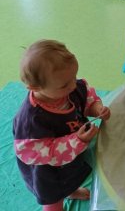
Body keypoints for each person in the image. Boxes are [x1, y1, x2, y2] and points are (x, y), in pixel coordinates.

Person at [13, 39, 111, 211]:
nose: (73, 85)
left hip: (71, 157)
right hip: (48, 173)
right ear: (35, 87)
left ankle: (70, 190)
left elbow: (86, 98)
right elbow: (41, 151)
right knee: (53, 199)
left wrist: (97, 108)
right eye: (65, 84)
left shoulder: (69, 87)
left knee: (72, 178)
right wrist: (77, 140)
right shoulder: (31, 121)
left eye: (74, 77)